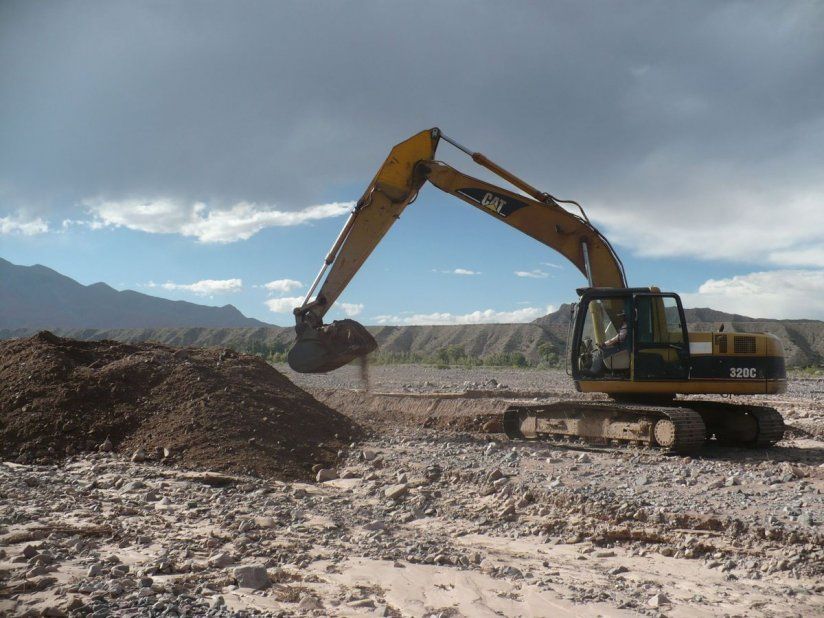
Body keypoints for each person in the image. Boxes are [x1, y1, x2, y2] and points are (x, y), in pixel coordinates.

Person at [587, 310, 628, 376]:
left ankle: (593, 372)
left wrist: (604, 344)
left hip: (623, 349)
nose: (622, 318)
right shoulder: (628, 326)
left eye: (623, 317)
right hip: (624, 348)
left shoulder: (626, 327)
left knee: (600, 352)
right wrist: (606, 344)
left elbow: (617, 339)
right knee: (600, 350)